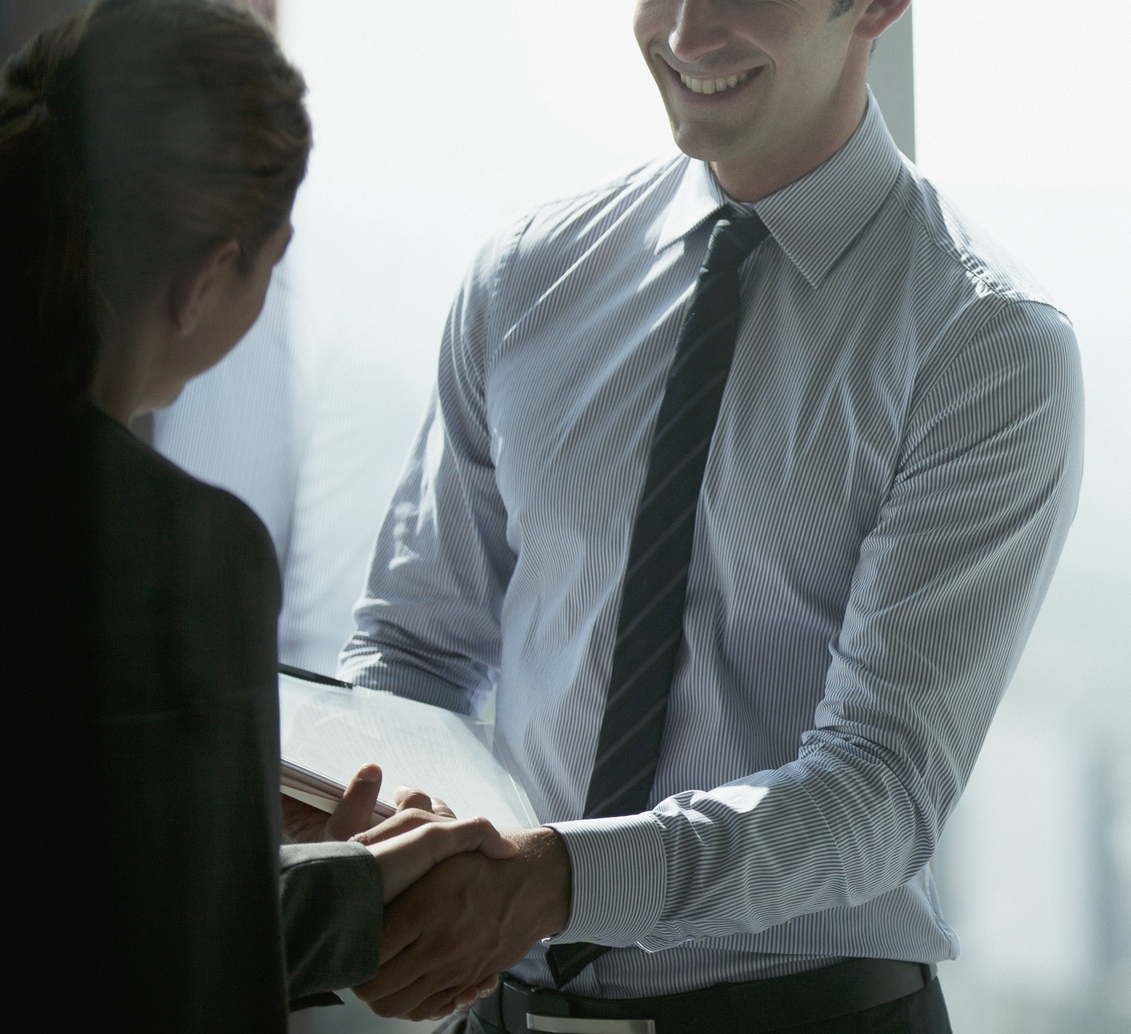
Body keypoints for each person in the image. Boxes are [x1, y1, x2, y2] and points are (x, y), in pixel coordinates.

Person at [337, 1, 1084, 1031]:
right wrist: (391, 830)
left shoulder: (983, 344)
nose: (686, 36)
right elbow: (411, 649)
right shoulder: (525, 279)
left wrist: (552, 879)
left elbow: (879, 787)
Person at [0, 0, 511, 1028]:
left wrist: (309, 886)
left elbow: (31, 899)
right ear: (208, 280)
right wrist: (353, 905)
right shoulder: (169, 552)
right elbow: (172, 976)